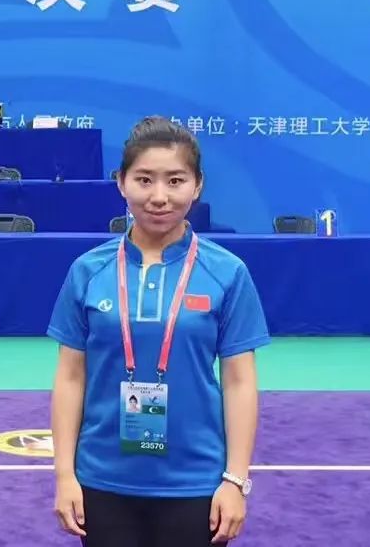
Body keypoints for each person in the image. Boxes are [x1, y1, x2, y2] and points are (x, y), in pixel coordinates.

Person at [47, 116, 270, 546]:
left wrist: (235, 481)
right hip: (102, 479)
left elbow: (240, 382)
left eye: (176, 180)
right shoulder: (88, 271)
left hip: (196, 482)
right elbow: (71, 377)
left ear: (198, 185)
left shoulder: (227, 272)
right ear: (121, 182)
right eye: (144, 179)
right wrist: (64, 476)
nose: (159, 197)